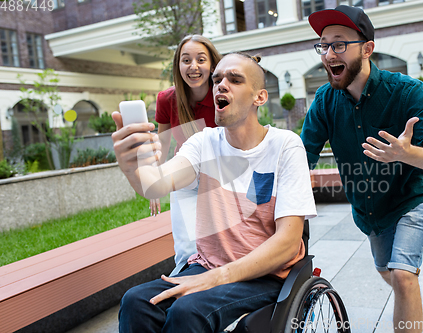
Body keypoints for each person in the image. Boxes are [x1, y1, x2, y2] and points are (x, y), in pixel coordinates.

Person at [112, 52, 317, 333]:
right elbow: (157, 183)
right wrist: (131, 164)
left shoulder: (285, 146)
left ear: (260, 97)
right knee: (136, 301)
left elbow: (288, 242)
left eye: (234, 79)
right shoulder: (203, 142)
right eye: (217, 78)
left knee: (187, 311)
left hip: (266, 274)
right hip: (209, 265)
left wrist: (217, 278)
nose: (221, 85)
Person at [302, 6, 423, 333]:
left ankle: (408, 294)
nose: (329, 53)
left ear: (368, 48)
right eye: (323, 44)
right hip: (369, 210)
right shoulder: (324, 101)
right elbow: (304, 156)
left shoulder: (408, 92)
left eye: (339, 44)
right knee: (389, 272)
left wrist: (407, 153)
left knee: (402, 276)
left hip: (413, 196)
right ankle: (411, 301)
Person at [152, 35, 222, 276]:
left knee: (221, 239)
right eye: (186, 60)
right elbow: (162, 142)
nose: (193, 66)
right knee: (185, 246)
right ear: (178, 65)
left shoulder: (223, 95)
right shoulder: (167, 99)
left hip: (221, 173)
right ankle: (184, 278)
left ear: (212, 64)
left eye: (201, 59)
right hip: (187, 175)